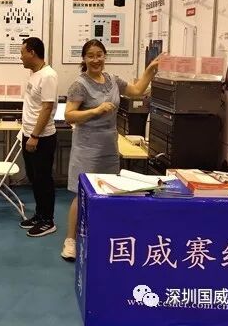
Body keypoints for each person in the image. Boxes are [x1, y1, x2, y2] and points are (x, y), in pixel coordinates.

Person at [60, 39, 160, 261]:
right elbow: (69, 115)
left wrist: (150, 71)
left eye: (99, 55)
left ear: (105, 56)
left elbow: (136, 91)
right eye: (91, 56)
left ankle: (102, 236)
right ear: (84, 59)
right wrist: (95, 111)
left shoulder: (113, 79)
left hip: (108, 144)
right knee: (81, 193)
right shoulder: (79, 84)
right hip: (87, 146)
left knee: (108, 191)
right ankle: (70, 240)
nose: (96, 60)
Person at [19, 37, 59, 237]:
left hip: (41, 137)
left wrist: (35, 135)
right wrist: (27, 133)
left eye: (22, 52)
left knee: (43, 180)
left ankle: (48, 220)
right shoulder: (35, 74)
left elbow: (47, 108)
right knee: (34, 178)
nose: (20, 57)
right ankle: (39, 215)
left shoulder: (48, 75)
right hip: (28, 134)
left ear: (32, 52)